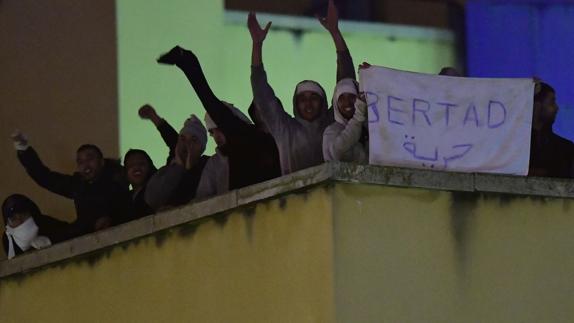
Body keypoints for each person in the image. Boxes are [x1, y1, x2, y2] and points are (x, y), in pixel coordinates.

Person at [157, 46, 281, 198]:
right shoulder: (241, 142)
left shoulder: (280, 136)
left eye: (219, 128)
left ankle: (187, 61)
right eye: (211, 132)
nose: (216, 136)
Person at [248, 0, 356, 174]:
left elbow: (346, 84)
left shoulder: (331, 123)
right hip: (295, 201)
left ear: (323, 103)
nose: (308, 103)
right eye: (302, 99)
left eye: (314, 98)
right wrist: (257, 45)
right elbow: (262, 93)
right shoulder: (284, 128)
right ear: (295, 104)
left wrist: (335, 33)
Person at [11, 131, 130, 237]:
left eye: (90, 159)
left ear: (102, 162)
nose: (85, 165)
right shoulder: (78, 185)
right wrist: (24, 150)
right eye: (80, 162)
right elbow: (46, 178)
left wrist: (109, 219)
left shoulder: (118, 178)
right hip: (83, 235)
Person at [145, 115, 210, 209]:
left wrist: (189, 170)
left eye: (194, 140)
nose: (187, 144)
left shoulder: (208, 166)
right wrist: (178, 169)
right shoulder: (164, 172)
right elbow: (152, 200)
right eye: (182, 139)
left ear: (202, 148)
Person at [528, 82, 574, 178]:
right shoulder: (515, 146)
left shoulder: (566, 149)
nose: (556, 108)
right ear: (537, 106)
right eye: (552, 102)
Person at [3, 194, 69, 259]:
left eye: (24, 215)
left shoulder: (45, 223)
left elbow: (71, 232)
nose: (20, 221)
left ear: (32, 213)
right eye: (14, 219)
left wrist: (51, 241)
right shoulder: (8, 239)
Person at [323, 77, 368, 163]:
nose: (347, 102)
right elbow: (337, 153)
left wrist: (371, 75)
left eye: (352, 96)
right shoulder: (332, 131)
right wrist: (358, 117)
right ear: (336, 102)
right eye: (342, 98)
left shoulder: (371, 128)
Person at [123, 149, 157, 219]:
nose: (136, 168)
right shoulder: (122, 200)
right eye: (131, 165)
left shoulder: (158, 192)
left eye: (141, 164)